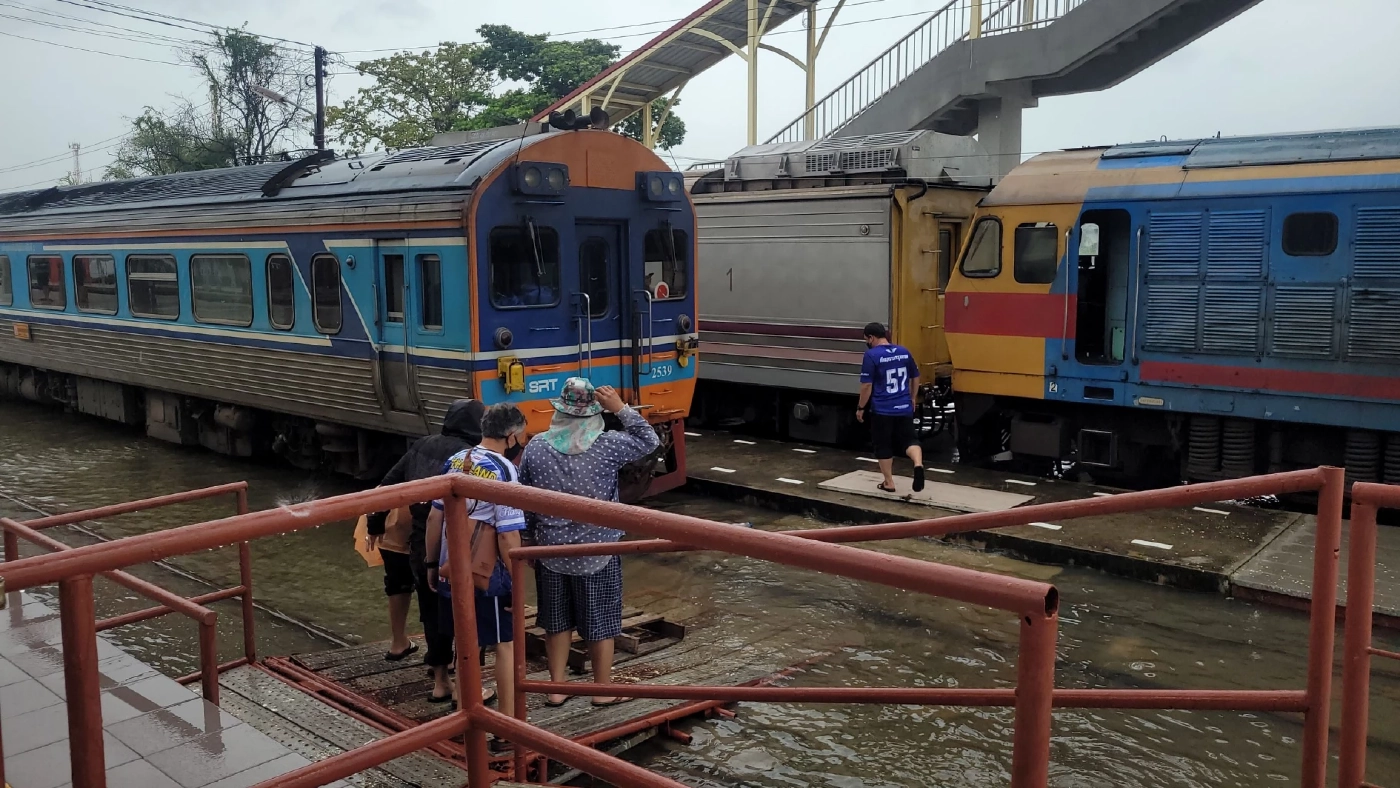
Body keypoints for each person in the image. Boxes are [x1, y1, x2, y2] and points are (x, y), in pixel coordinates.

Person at [520, 378, 660, 708]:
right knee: (601, 622)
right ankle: (601, 689)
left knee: (556, 622)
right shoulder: (607, 445)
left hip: (550, 550)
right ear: (593, 414)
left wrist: (527, 539)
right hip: (598, 551)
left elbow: (523, 499)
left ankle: (556, 689)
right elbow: (649, 441)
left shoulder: (537, 447)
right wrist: (621, 408)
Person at [366, 398, 485, 703]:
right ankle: (469, 683)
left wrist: (375, 523)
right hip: (463, 541)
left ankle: (441, 681)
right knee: (466, 612)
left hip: (423, 543)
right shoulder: (473, 455)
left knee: (431, 612)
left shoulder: (422, 445)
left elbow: (388, 487)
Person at [423, 403, 530, 719]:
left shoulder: (456, 460)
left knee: (463, 636)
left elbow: (433, 518)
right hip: (487, 576)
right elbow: (508, 536)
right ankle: (509, 722)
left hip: (450, 567)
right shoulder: (505, 471)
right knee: (504, 644)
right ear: (510, 437)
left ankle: (464, 703)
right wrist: (518, 582)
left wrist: (432, 565)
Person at [856, 322, 926, 494]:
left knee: (883, 445)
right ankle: (918, 464)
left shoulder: (871, 355)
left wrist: (860, 407)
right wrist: (912, 397)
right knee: (910, 440)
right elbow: (915, 376)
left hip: (883, 410)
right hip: (904, 407)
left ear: (871, 337)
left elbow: (867, 386)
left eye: (866, 339)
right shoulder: (903, 351)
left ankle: (889, 482)